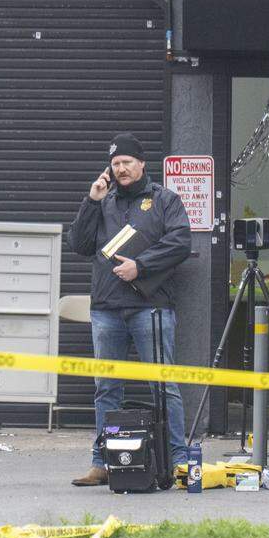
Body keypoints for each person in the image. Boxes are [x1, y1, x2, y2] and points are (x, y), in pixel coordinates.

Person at [68, 133, 192, 486]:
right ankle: (103, 463)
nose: (121, 168)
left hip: (150, 308)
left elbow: (180, 241)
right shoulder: (102, 202)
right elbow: (79, 243)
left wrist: (142, 265)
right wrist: (91, 201)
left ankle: (178, 460)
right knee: (106, 388)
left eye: (126, 162)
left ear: (141, 163)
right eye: (116, 163)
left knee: (163, 384)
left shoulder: (164, 200)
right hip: (107, 308)